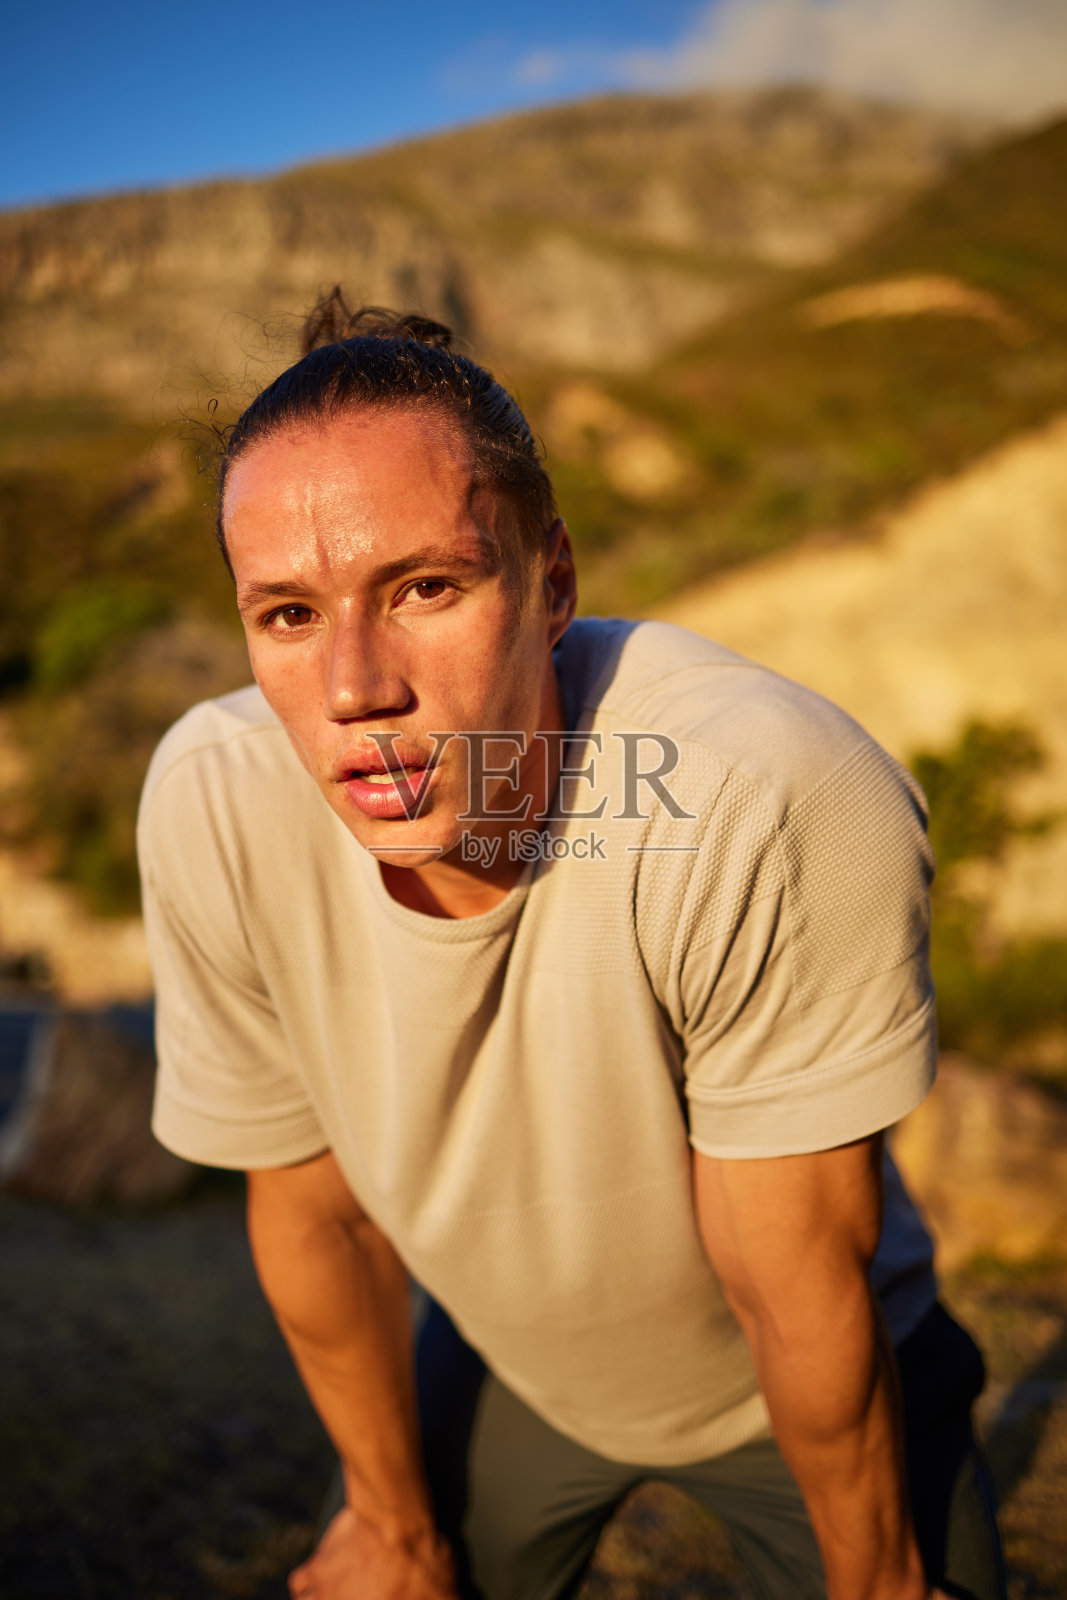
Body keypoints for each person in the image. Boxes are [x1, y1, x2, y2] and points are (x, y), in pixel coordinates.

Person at [138, 295, 1006, 1600]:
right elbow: (317, 1215)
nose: (357, 686)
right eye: (290, 615)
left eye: (425, 587)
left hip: (811, 1377)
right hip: (512, 1354)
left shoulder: (758, 793)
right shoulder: (215, 801)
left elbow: (790, 1280)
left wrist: (878, 1579)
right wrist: (392, 1521)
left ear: (552, 585)